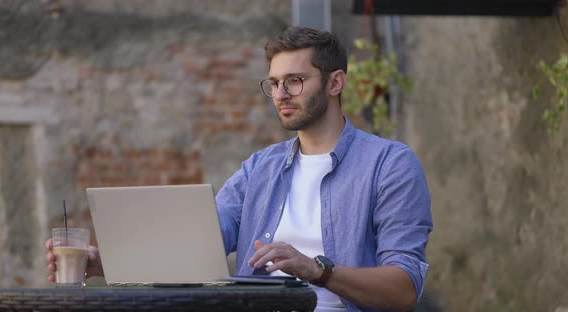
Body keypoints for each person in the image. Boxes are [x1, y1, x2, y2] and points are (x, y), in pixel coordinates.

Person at [46, 26, 432, 312]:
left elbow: (403, 290)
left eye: (295, 82)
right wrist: (109, 263)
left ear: (335, 83)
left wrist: (316, 270)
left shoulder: (389, 165)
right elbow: (196, 245)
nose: (280, 95)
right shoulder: (259, 169)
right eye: (275, 84)